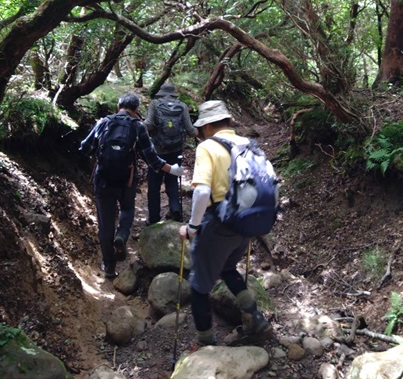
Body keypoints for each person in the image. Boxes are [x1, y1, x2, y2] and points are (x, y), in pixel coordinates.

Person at [178, 100, 271, 347]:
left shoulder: (208, 146)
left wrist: (192, 227)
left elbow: (201, 192)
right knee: (228, 268)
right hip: (246, 224)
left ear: (207, 126)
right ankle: (255, 318)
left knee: (199, 286)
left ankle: (206, 344)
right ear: (227, 121)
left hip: (218, 224)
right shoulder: (249, 144)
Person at [80, 93, 184, 279]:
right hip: (126, 180)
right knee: (127, 209)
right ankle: (122, 235)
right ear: (136, 110)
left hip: (103, 181)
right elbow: (152, 159)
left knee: (105, 224)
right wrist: (172, 170)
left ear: (118, 106)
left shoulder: (103, 122)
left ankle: (109, 267)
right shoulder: (137, 126)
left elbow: (85, 147)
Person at [144, 82, 198, 223]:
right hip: (176, 150)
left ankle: (154, 218)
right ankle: (175, 209)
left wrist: (139, 127)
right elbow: (191, 130)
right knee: (172, 179)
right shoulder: (182, 106)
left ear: (161, 93)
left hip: (157, 151)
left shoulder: (155, 104)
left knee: (154, 185)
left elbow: (148, 124)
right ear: (174, 94)